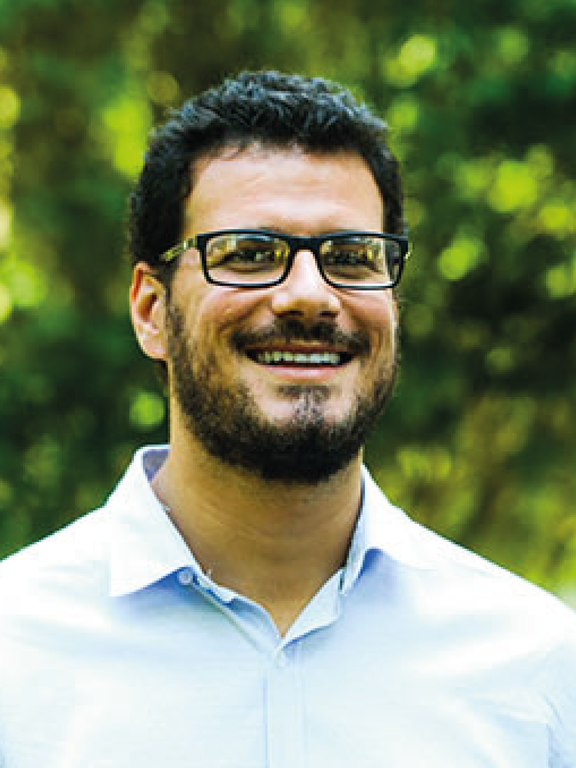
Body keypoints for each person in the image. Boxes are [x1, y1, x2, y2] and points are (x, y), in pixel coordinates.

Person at [0, 70, 574, 768]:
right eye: (249, 254)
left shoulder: (540, 670)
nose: (310, 295)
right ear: (152, 310)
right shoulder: (14, 654)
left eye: (352, 258)